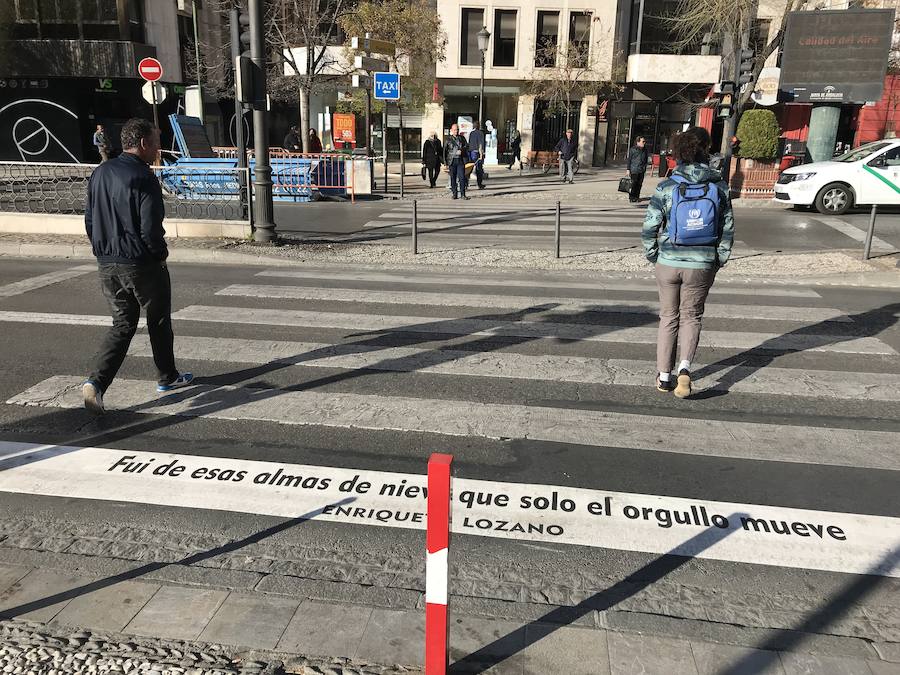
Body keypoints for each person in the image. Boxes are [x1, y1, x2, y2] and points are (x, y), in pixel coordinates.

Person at [81, 118, 193, 414]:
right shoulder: (144, 177)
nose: (158, 148)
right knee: (158, 320)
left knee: (122, 324)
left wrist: (102, 250)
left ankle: (96, 383)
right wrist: (160, 255)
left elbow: (90, 220)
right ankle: (167, 376)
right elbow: (150, 227)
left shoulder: (100, 172)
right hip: (141, 263)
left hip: (107, 262)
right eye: (156, 142)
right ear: (143, 143)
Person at [641, 126, 734, 399]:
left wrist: (653, 254)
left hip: (669, 261)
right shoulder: (719, 186)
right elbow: (727, 227)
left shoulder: (667, 186)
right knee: (692, 316)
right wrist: (719, 258)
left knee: (668, 317)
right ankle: (684, 368)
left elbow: (650, 226)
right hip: (702, 262)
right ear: (706, 151)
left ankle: (663, 376)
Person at [443, 123, 469, 200]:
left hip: (460, 160)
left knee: (462, 178)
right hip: (452, 161)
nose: (456, 131)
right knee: (453, 178)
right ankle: (454, 193)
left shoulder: (462, 138)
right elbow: (444, 151)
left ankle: (463, 194)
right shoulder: (448, 139)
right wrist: (445, 163)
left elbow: (466, 146)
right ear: (451, 130)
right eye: (454, 130)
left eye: (457, 130)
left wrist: (462, 150)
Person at [626, 136, 649, 203]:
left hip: (641, 169)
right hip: (634, 169)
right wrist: (628, 169)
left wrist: (645, 167)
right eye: (643, 141)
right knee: (633, 184)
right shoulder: (633, 149)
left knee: (639, 184)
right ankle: (632, 197)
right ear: (638, 142)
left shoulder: (645, 150)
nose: (644, 143)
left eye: (644, 141)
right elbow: (629, 160)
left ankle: (636, 197)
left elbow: (646, 159)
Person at [467, 120, 486, 190]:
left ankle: (466, 183)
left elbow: (469, 143)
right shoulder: (480, 133)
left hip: (471, 152)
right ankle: (479, 184)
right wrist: (481, 154)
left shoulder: (471, 133)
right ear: (479, 126)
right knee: (479, 169)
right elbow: (480, 144)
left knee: (469, 168)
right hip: (477, 152)